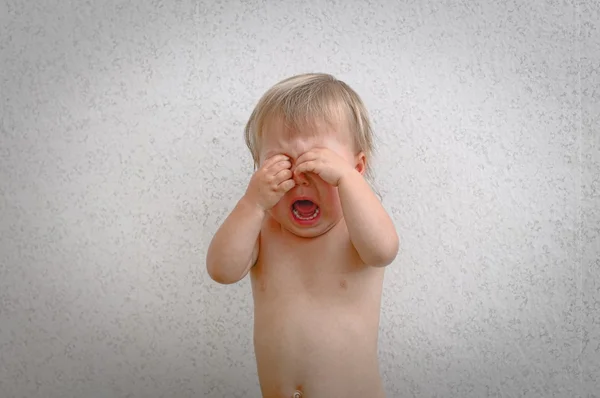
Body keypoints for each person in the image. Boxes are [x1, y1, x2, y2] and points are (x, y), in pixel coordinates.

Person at [206, 73, 399, 398]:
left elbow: (383, 251)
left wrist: (347, 181)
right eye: (280, 163)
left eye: (319, 161)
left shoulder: (355, 229)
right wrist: (252, 203)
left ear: (357, 167)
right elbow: (222, 271)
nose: (299, 177)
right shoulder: (263, 228)